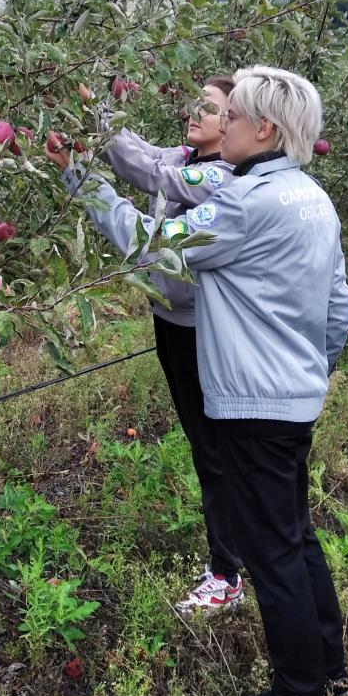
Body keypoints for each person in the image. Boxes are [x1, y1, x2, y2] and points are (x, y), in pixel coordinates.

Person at [46, 66, 348, 696]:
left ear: (264, 128)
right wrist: (312, 374)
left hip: (252, 405)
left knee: (272, 555)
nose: (225, 126)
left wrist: (80, 177)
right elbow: (339, 306)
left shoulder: (244, 204)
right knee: (295, 539)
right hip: (292, 399)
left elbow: (145, 245)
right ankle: (330, 677)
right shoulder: (311, 197)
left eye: (234, 116)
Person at [87, 77, 245, 612]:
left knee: (214, 448)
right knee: (209, 445)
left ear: (235, 122)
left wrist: (79, 167)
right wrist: (91, 111)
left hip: (203, 333)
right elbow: (144, 151)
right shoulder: (185, 154)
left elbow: (148, 173)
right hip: (171, 320)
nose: (195, 111)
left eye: (212, 106)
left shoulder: (219, 178)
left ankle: (228, 571)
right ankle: (239, 551)